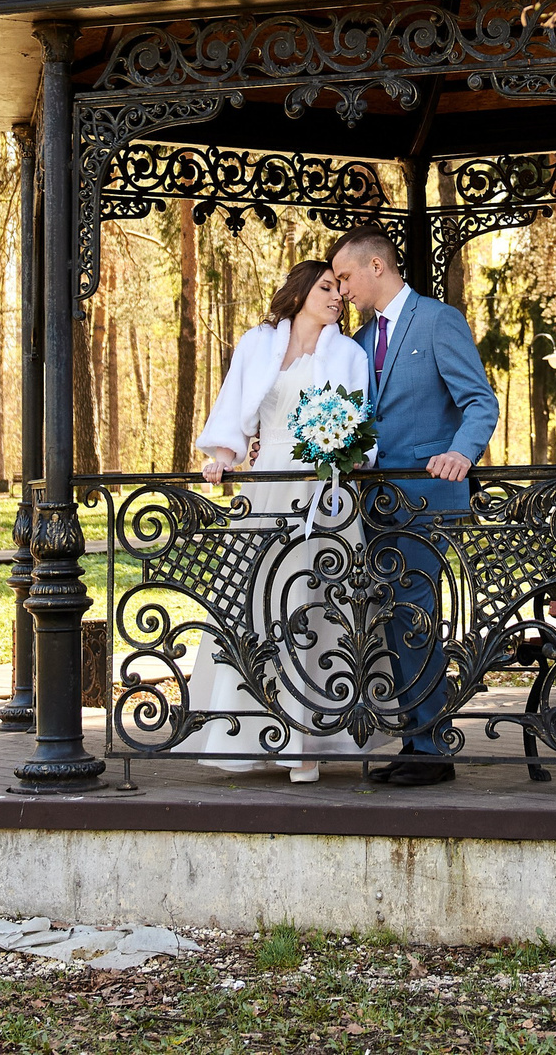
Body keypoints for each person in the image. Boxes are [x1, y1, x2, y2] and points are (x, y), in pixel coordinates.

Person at [327, 224, 500, 787]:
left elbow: (479, 402)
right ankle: (415, 741)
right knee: (395, 620)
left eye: (346, 276)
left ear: (376, 266)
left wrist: (461, 453)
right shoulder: (357, 342)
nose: (342, 289)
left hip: (427, 498)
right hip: (374, 501)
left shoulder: (438, 320)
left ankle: (431, 748)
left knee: (415, 617)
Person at [191, 260, 373, 782]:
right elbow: (233, 404)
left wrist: (345, 453)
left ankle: (308, 742)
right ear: (299, 292)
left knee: (317, 605)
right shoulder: (257, 343)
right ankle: (249, 730)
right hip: (268, 485)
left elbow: (359, 421)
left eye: (340, 289)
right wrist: (223, 456)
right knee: (256, 602)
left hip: (325, 490)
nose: (337, 297)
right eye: (326, 287)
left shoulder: (350, 354)